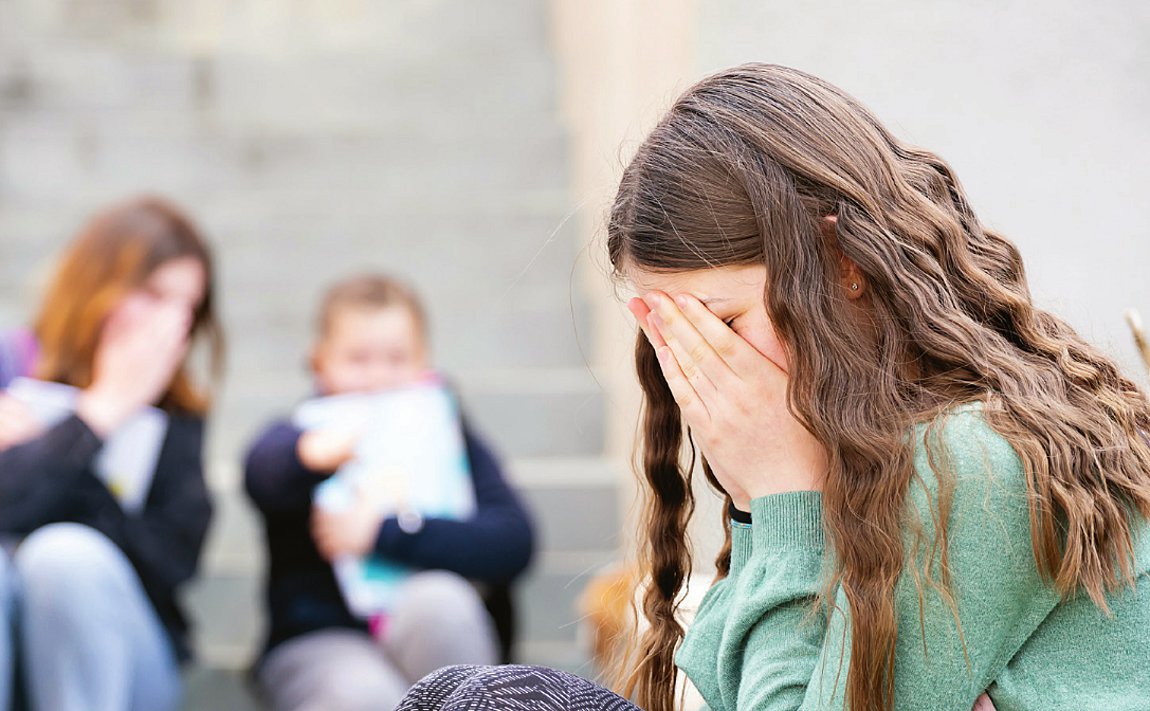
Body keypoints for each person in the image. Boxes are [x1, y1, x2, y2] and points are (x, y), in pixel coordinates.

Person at [397, 64, 1150, 710]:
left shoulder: (974, 460)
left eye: (722, 322)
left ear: (843, 265)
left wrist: (779, 499)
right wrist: (763, 510)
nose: (697, 370)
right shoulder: (892, 451)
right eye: (672, 339)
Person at [244, 273, 534, 711]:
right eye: (358, 359)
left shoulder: (448, 438)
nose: (378, 377)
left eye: (397, 358)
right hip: (324, 640)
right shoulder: (301, 438)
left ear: (424, 361)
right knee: (365, 696)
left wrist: (383, 532)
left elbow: (513, 540)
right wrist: (310, 454)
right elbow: (261, 473)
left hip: (427, 626)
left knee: (442, 604)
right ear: (320, 362)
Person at [0, 197, 221, 711]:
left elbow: (171, 564)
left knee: (66, 557)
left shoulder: (176, 414)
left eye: (187, 307)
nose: (171, 322)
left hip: (124, 655)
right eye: (154, 295)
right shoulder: (9, 367)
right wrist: (87, 424)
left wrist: (97, 417)